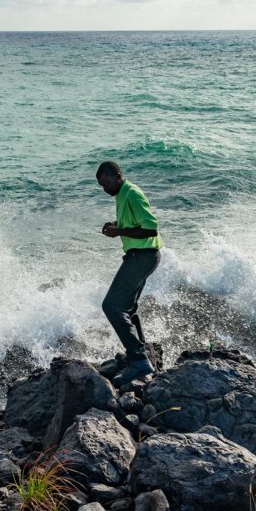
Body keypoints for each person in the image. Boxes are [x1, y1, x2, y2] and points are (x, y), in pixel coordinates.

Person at [96, 160, 162, 386]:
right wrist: (116, 225)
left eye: (106, 183)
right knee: (127, 307)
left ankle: (139, 361)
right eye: (101, 186)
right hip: (140, 256)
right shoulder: (122, 195)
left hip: (143, 257)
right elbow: (136, 223)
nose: (105, 190)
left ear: (117, 175)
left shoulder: (132, 193)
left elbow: (151, 227)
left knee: (112, 306)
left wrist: (119, 232)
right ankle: (138, 354)